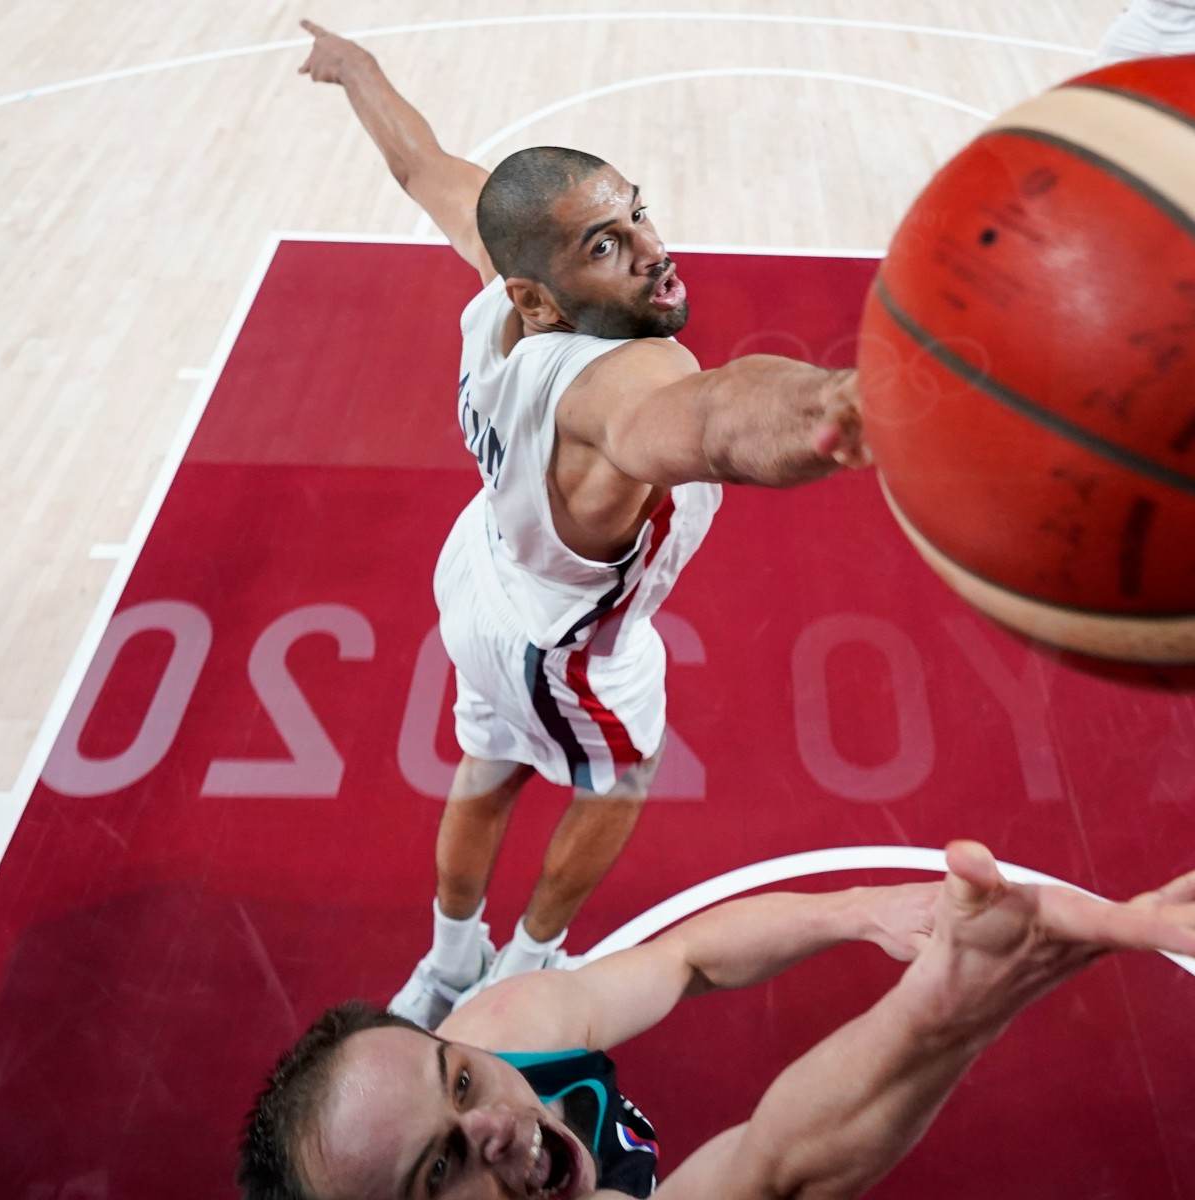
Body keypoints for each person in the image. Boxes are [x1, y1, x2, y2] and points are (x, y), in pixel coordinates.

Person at [296, 20, 871, 1029]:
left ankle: (446, 962)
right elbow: (721, 419)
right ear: (543, 296)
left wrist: (354, 67)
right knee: (618, 778)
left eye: (639, 213)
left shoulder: (504, 278)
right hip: (562, 642)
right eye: (608, 246)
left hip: (477, 573)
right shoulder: (625, 383)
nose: (655, 250)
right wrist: (840, 406)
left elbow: (418, 162)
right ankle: (533, 957)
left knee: (487, 765)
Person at [238, 841, 1195, 1199]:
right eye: (439, 1170)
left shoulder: (502, 1029)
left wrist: (854, 911)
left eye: (456, 1082)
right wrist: (955, 1008)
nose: (492, 1124)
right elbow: (777, 1167)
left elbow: (686, 958)